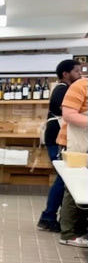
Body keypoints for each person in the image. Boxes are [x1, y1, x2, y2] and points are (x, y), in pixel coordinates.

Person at [37, 59, 82, 232]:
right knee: (63, 178)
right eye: (77, 71)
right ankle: (48, 217)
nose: (80, 74)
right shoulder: (62, 90)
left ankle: (52, 217)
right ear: (66, 74)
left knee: (63, 178)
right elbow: (70, 113)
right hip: (57, 140)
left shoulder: (64, 90)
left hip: (59, 139)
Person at [56, 76, 88, 247]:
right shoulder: (81, 86)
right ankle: (68, 234)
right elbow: (68, 114)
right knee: (75, 187)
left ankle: (82, 231)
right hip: (75, 146)